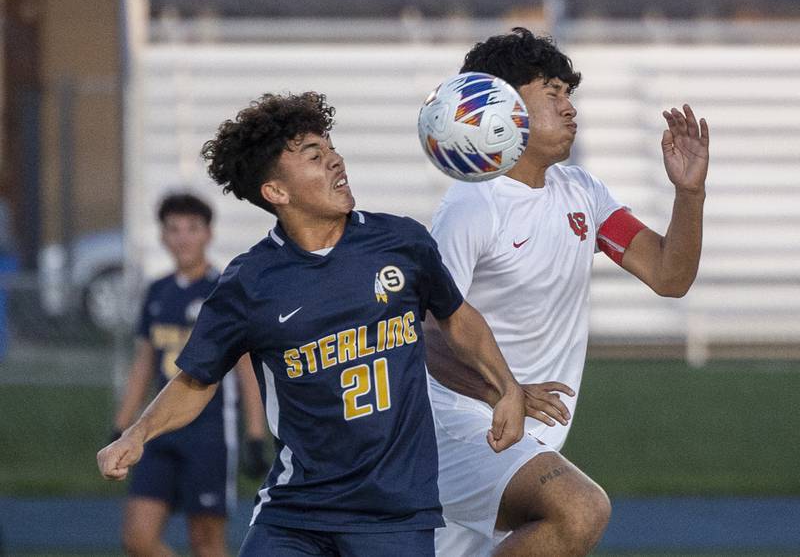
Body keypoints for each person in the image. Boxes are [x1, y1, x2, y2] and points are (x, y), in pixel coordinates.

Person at [98, 92, 527, 557]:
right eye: (315, 155)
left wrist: (507, 387)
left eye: (331, 148)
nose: (336, 160)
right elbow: (196, 379)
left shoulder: (401, 242)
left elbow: (457, 318)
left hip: (395, 514)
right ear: (277, 192)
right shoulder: (249, 283)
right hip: (295, 512)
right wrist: (137, 433)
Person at [424, 27, 710, 557]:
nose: (569, 107)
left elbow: (670, 276)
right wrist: (504, 388)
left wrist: (689, 193)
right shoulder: (473, 205)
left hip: (521, 434)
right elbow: (426, 331)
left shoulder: (583, 192)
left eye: (568, 93)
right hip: (457, 421)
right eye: (552, 92)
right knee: (579, 509)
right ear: (501, 105)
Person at [110, 193, 268, 557]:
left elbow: (245, 369)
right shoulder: (157, 291)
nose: (183, 238)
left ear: (208, 234)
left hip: (209, 434)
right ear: (163, 236)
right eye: (174, 229)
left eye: (192, 229)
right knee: (137, 538)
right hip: (158, 433)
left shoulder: (223, 290)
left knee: (206, 542)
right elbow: (144, 363)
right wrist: (123, 425)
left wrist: (255, 434)